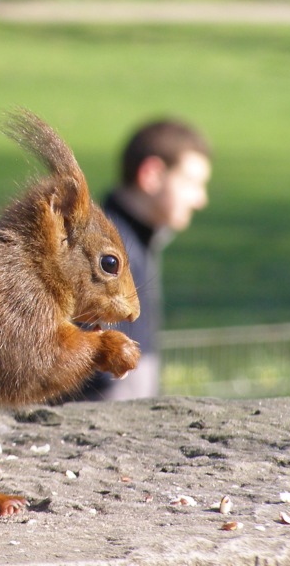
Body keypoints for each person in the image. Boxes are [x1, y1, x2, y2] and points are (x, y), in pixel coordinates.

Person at [78, 118, 212, 401]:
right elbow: (95, 374)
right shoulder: (106, 251)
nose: (200, 199)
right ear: (152, 175)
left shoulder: (138, 240)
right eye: (191, 183)